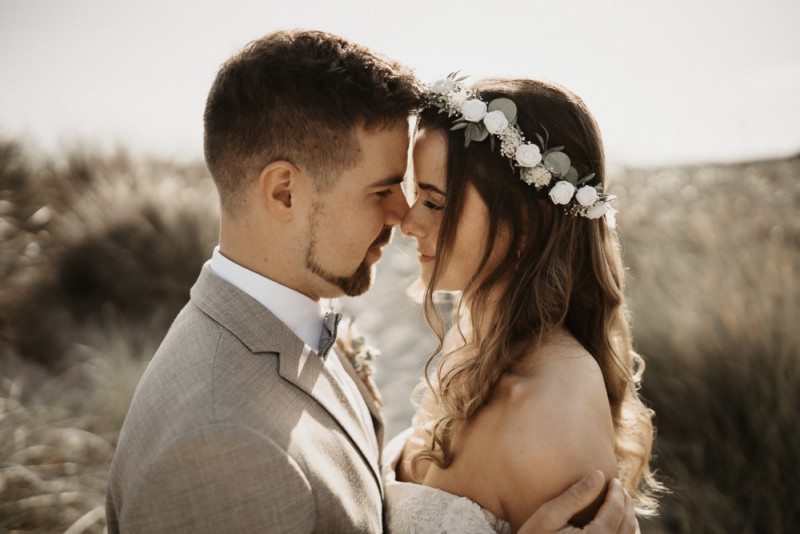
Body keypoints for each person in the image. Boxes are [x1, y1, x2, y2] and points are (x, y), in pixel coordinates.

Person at [105, 30, 640, 533]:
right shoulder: (219, 442)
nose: (404, 216)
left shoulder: (293, 323)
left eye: (430, 198)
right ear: (285, 193)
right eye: (385, 189)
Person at [384, 75, 661, 532]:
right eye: (417, 196)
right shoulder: (470, 338)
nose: (408, 223)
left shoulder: (553, 415)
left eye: (434, 202)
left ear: (528, 218)